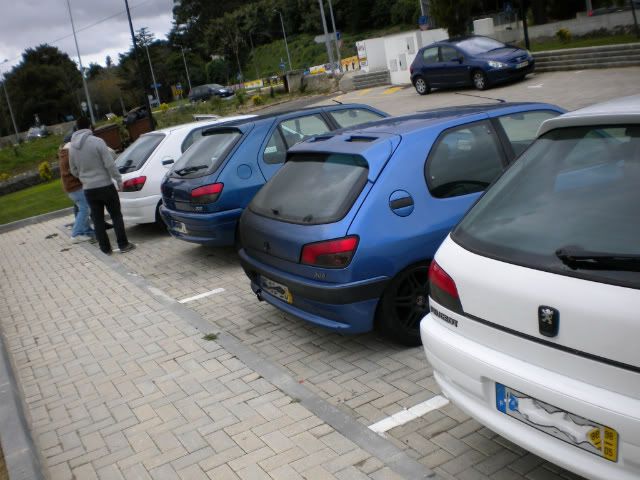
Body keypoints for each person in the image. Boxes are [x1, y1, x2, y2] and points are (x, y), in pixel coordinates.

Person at [69, 116, 135, 255]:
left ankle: (105, 249)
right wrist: (118, 180)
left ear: (76, 129)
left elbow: (73, 170)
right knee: (116, 215)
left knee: (97, 220)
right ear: (90, 127)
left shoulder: (72, 148)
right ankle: (123, 244)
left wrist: (84, 178)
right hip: (105, 186)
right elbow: (110, 164)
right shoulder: (97, 142)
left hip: (88, 189)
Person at [58, 143, 94, 243]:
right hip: (75, 187)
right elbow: (76, 171)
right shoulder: (70, 154)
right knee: (85, 210)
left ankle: (86, 231)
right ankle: (76, 234)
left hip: (71, 188)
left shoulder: (63, 154)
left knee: (82, 209)